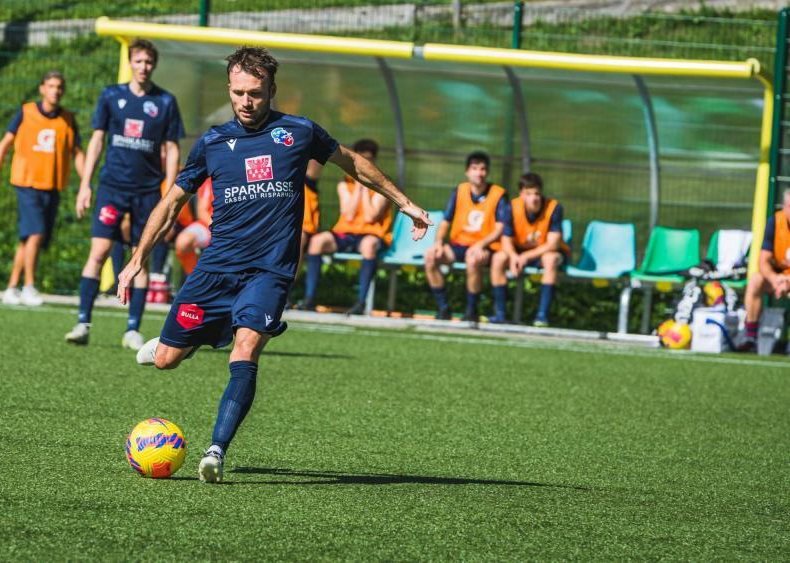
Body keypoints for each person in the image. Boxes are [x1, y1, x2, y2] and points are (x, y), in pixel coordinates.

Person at [117, 46, 431, 483]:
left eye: (255, 93)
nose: (246, 102)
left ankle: (216, 451)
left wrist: (406, 205)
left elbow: (353, 163)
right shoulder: (212, 142)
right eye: (238, 92)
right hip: (215, 272)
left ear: (272, 90)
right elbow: (171, 203)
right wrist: (137, 260)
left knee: (246, 348)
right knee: (167, 360)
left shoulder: (298, 133)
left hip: (269, 272)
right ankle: (184, 343)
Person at [64, 39, 185, 349]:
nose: (143, 67)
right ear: (130, 62)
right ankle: (82, 322)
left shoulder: (165, 102)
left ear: (153, 66)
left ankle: (133, 329)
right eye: (138, 61)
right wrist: (85, 184)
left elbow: (171, 149)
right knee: (99, 251)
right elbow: (96, 141)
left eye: (148, 62)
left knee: (138, 256)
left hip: (147, 192)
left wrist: (168, 193)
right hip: (112, 187)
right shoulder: (111, 96)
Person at [0, 70, 84, 306]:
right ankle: (29, 286)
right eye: (51, 86)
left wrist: (85, 184)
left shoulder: (68, 119)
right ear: (42, 88)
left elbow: (78, 153)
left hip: (52, 186)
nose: (55, 91)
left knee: (28, 239)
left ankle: (11, 288)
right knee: (36, 234)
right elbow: (4, 144)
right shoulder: (26, 112)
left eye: (59, 87)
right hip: (27, 183)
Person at [300, 139, 392, 315]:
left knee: (368, 245)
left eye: (369, 160)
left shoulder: (383, 184)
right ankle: (309, 298)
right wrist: (358, 185)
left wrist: (366, 186)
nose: (366, 164)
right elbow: (348, 214)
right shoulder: (344, 184)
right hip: (346, 233)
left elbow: (371, 215)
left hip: (372, 234)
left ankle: (361, 302)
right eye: (361, 159)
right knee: (317, 242)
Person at [424, 151, 510, 321]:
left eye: (483, 169)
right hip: (459, 244)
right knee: (430, 256)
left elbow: (500, 228)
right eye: (475, 168)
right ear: (467, 171)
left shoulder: (498, 194)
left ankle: (471, 310)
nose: (479, 173)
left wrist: (480, 245)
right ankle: (444, 308)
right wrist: (439, 243)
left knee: (473, 259)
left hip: (485, 247)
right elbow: (445, 221)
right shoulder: (460, 190)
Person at [492, 172, 570, 326]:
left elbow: (553, 244)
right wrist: (514, 256)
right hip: (520, 253)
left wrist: (526, 256)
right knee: (498, 258)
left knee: (550, 259)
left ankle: (542, 316)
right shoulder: (512, 208)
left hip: (546, 253)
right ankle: (500, 314)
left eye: (537, 193)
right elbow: (506, 240)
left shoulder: (554, 208)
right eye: (529, 194)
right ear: (521, 194)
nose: (534, 198)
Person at [738, 187, 790, 351]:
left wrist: (787, 281)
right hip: (779, 278)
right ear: (784, 206)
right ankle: (750, 337)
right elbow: (763, 261)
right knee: (755, 281)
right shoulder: (775, 221)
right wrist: (776, 280)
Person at [173, 179, 214, 275]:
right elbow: (202, 211)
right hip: (210, 225)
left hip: (233, 228)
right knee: (183, 242)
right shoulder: (210, 182)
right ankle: (195, 278)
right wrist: (218, 229)